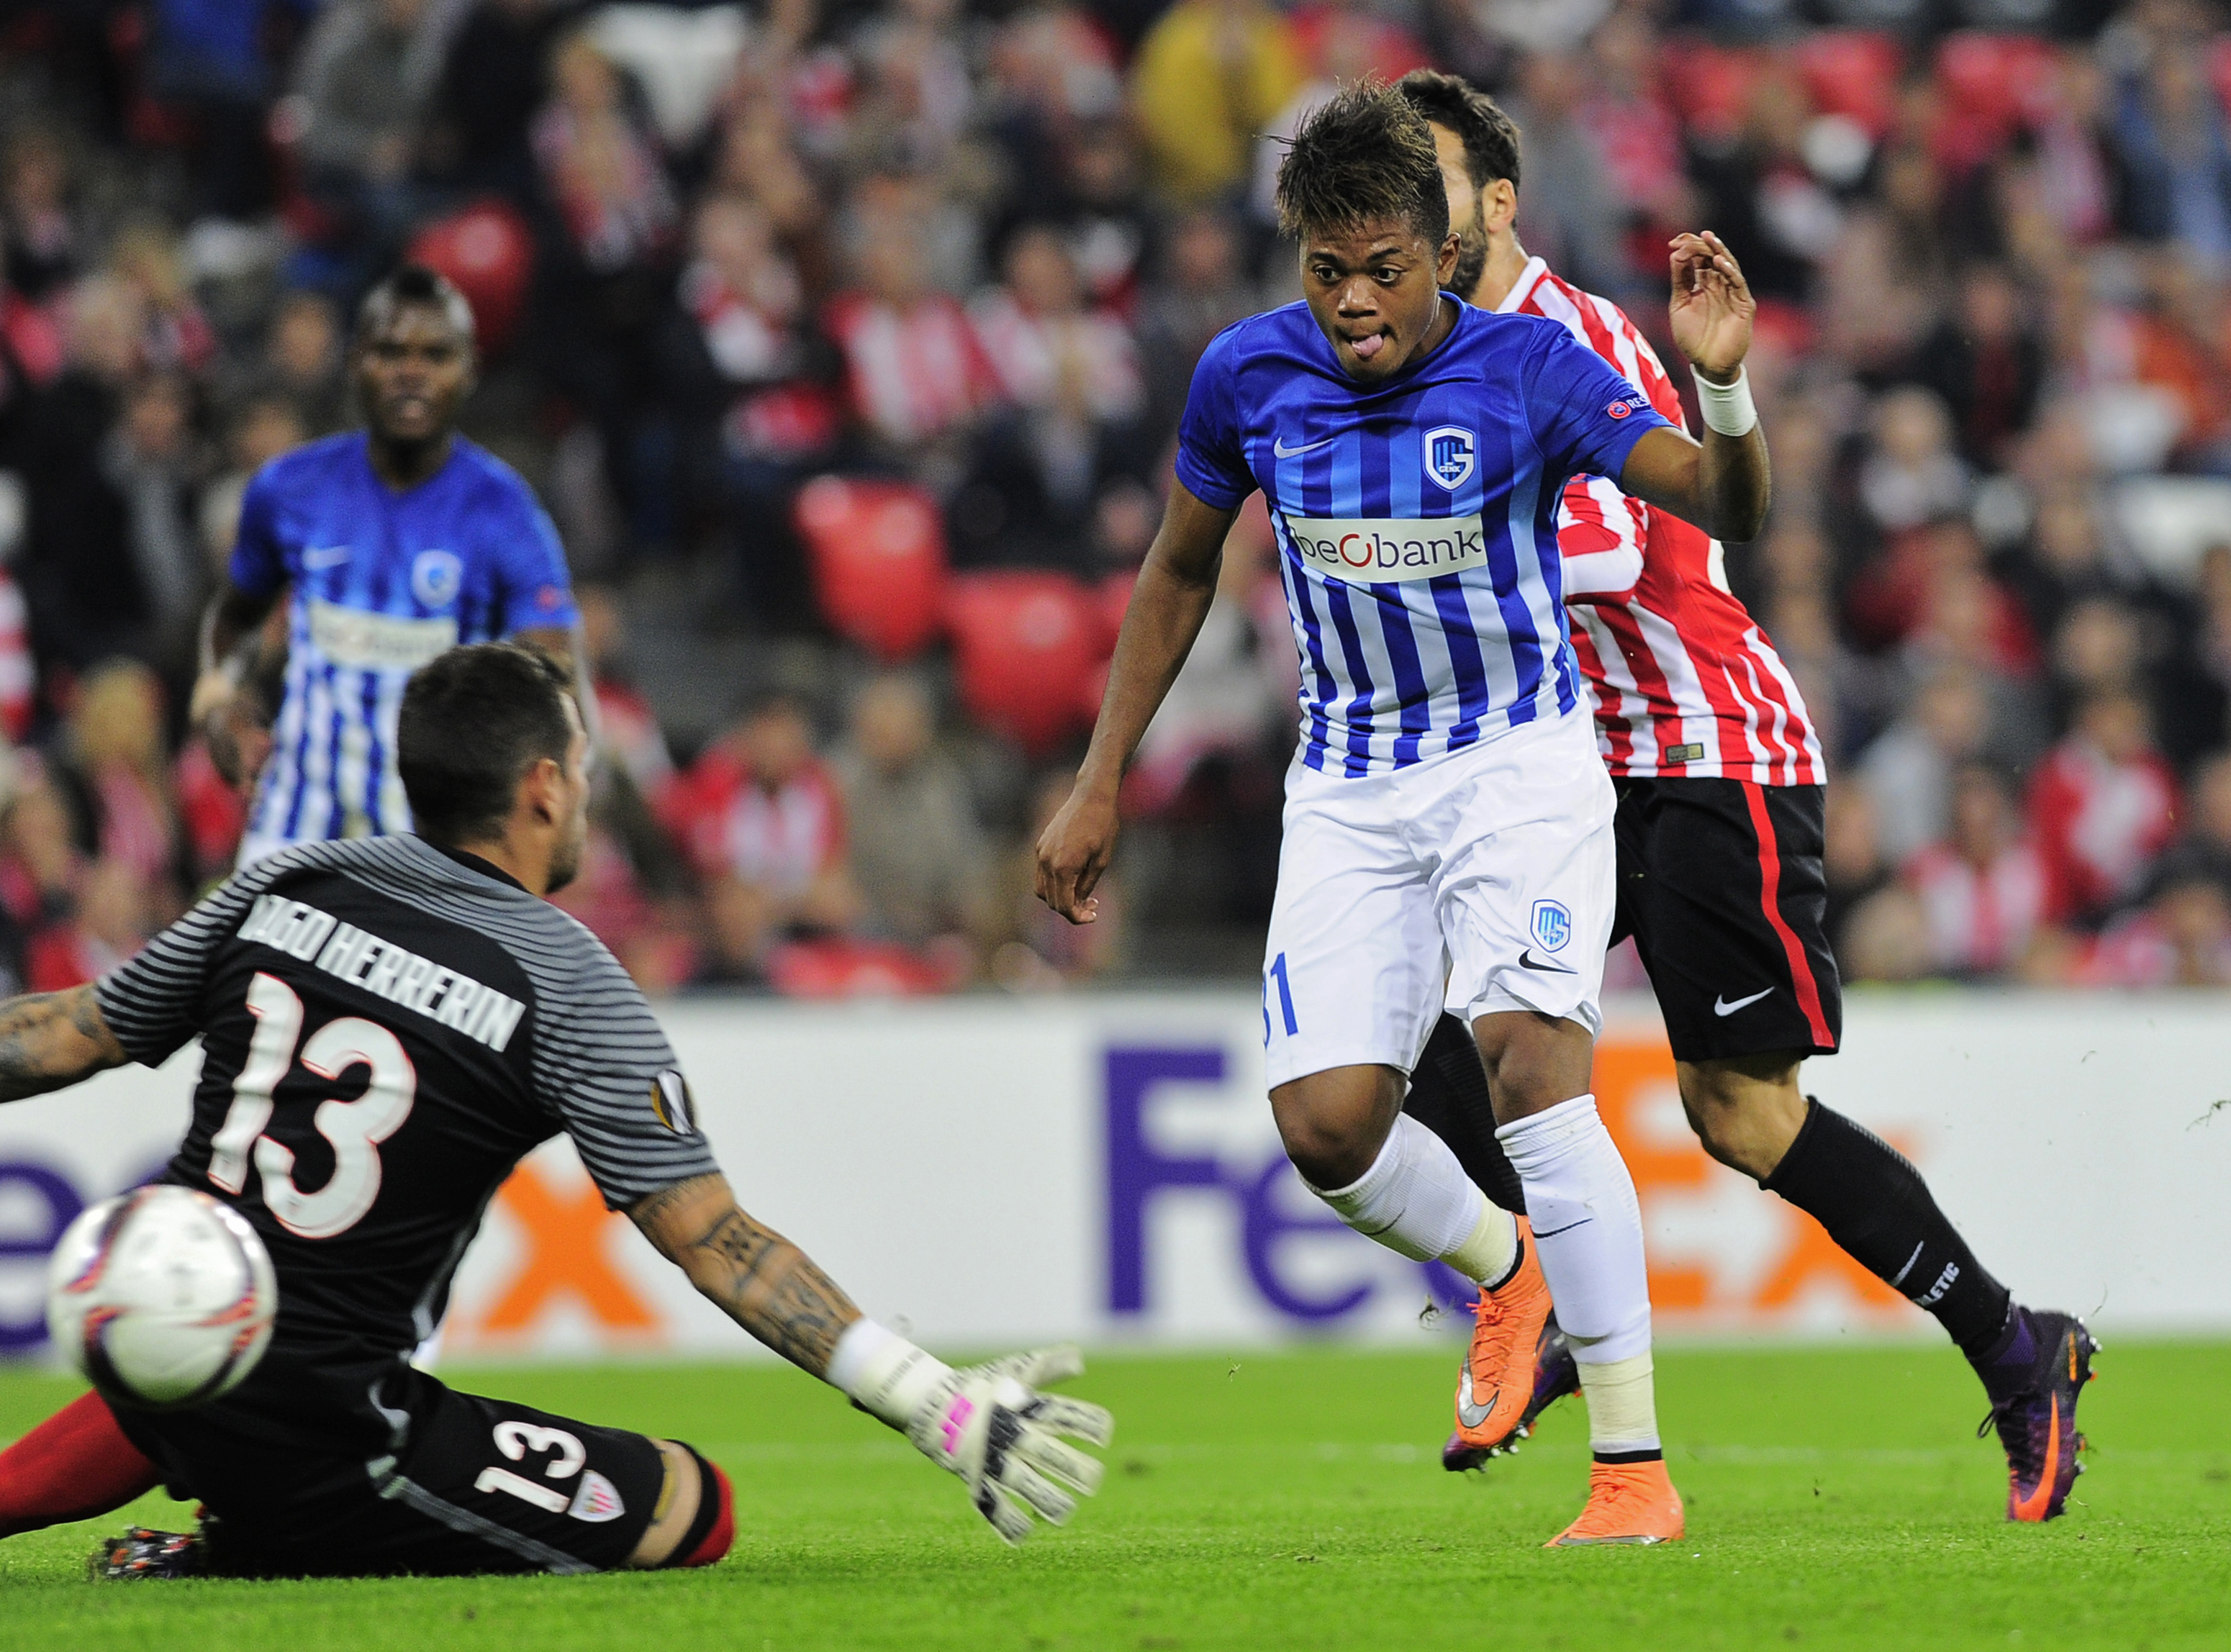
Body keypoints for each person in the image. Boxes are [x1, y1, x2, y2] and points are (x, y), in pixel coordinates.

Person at [1036, 83, 1771, 1547]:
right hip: (1351, 783)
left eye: (1384, 267)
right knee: (1323, 1127)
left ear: (1442, 251)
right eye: (1326, 270)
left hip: (1515, 765)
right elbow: (1178, 570)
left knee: (1528, 1069)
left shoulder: (1530, 371)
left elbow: (1721, 505)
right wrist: (1101, 771)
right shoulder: (1245, 378)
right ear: (1295, 259)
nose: (1355, 301)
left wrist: (1722, 386)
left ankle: (1631, 1469)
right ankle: (1506, 1269)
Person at [0, 643, 1110, 1578]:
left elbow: (64, 1037)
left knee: (244, 1355)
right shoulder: (565, 978)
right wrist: (933, 1401)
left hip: (165, 1358)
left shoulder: (289, 885)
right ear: (543, 786)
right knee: (695, 1504)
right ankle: (243, 1548)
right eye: (582, 766)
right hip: (337, 1433)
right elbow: (717, 1243)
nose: (585, 790)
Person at [1396, 68, 2095, 1523]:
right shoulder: (1422, 357)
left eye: (1430, 187)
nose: (1406, 216)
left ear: (1496, 202)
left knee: (1739, 1112)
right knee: (1414, 1010)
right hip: (1575, 767)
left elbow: (1599, 554)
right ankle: (1541, 1293)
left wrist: (1413, 555)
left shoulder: (1564, 338)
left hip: (1705, 742)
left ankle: (2016, 1346)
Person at [189, 266, 591, 869]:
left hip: (437, 844)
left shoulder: (505, 513)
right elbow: (236, 618)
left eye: (435, 355)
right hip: (298, 827)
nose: (411, 371)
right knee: (252, 967)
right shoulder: (290, 488)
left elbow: (552, 678)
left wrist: (548, 829)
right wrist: (221, 701)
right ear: (355, 363)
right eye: (391, 351)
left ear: (470, 370)